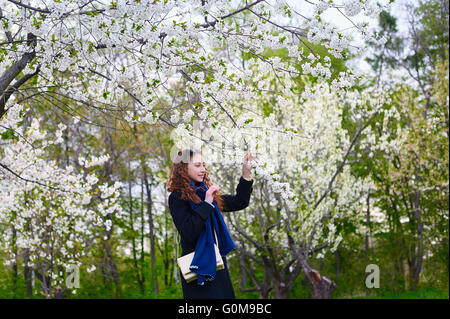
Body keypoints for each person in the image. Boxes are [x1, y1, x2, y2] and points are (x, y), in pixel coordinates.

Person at [167, 149, 255, 299]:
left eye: (203, 165)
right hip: (197, 268)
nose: (203, 170)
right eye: (197, 165)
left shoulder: (205, 192)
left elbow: (240, 201)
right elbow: (188, 231)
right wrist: (207, 203)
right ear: (183, 168)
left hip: (216, 263)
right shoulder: (177, 197)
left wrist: (246, 173)